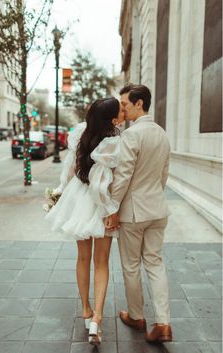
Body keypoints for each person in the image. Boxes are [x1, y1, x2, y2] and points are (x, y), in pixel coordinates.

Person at [45, 97, 124, 346]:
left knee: (83, 258)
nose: (123, 112)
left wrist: (60, 193)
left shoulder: (81, 132)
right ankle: (97, 319)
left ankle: (86, 309)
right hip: (100, 201)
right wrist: (112, 209)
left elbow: (70, 168)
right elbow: (109, 180)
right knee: (101, 262)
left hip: (79, 197)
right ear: (112, 119)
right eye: (119, 110)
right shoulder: (114, 141)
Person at [105, 84, 172, 343]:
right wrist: (155, 195)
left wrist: (112, 208)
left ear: (139, 103)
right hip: (158, 208)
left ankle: (136, 315)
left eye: (125, 104)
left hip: (134, 212)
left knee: (131, 265)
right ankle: (163, 324)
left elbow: (122, 177)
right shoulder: (162, 134)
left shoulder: (131, 136)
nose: (122, 109)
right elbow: (163, 174)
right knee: (155, 263)